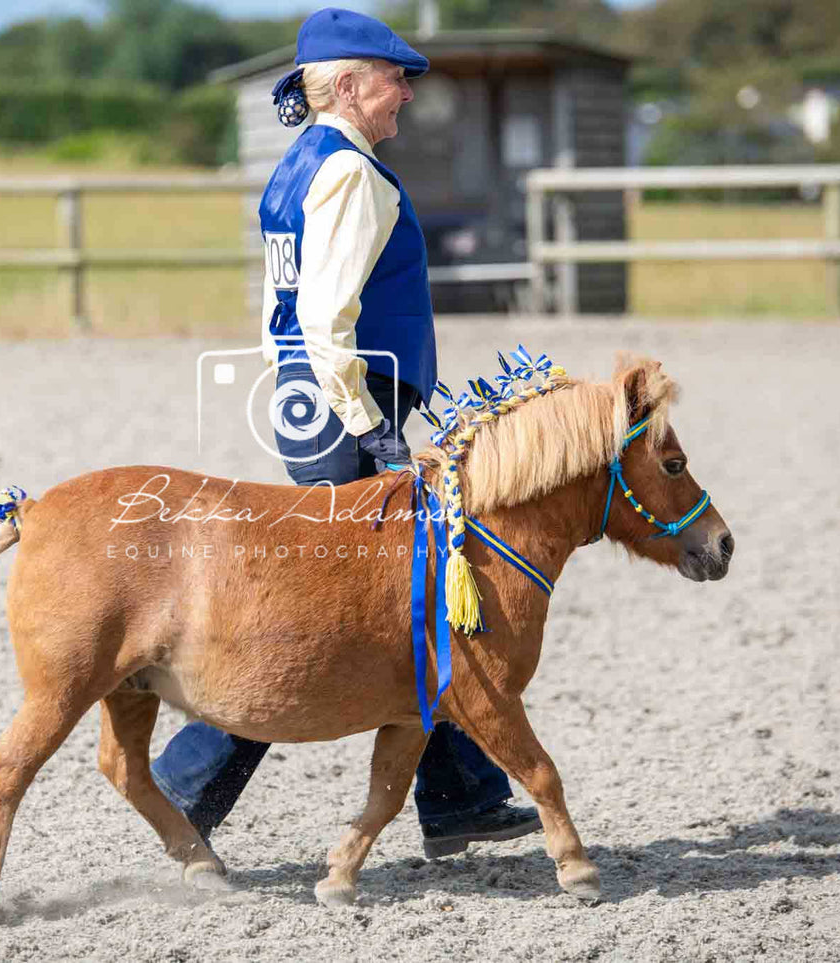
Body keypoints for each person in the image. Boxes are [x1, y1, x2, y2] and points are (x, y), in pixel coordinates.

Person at [150, 7, 541, 860]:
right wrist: (374, 433)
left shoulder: (296, 166)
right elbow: (327, 320)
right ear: (351, 84)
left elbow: (274, 315)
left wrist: (299, 389)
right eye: (395, 78)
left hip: (315, 402)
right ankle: (187, 784)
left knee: (413, 599)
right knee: (348, 613)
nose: (406, 93)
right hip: (349, 408)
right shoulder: (353, 174)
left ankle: (460, 795)